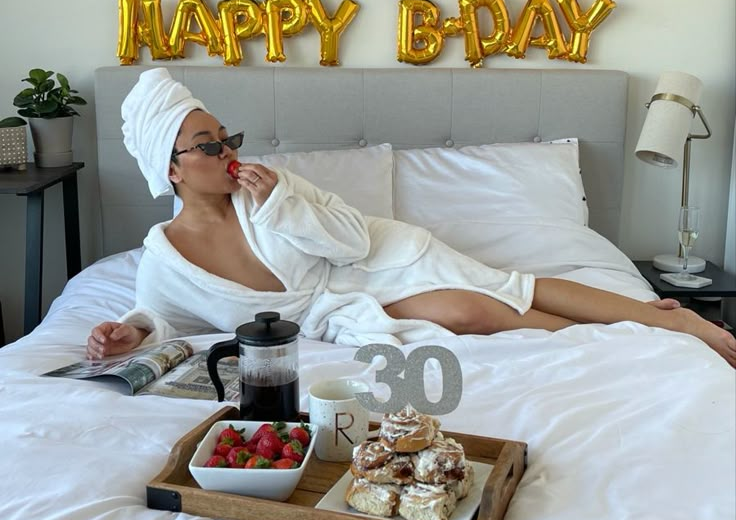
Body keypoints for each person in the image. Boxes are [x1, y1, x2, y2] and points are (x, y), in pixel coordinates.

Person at [87, 69, 736, 368]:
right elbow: (161, 317)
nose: (227, 152)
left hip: (379, 257)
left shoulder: (270, 190)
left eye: (227, 136)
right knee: (470, 314)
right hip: (340, 310)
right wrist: (128, 335)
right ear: (170, 168)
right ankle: (626, 334)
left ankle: (656, 322)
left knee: (499, 290)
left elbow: (347, 238)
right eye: (208, 146)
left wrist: (282, 197)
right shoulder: (165, 257)